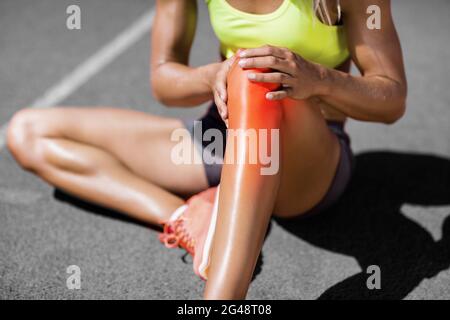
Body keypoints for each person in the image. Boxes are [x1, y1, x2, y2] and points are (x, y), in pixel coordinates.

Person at [6, 0, 407, 299]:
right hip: (221, 140)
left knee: (255, 76)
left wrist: (317, 78)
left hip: (306, 166)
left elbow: (391, 98)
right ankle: (188, 217)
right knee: (28, 133)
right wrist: (215, 75)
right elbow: (164, 82)